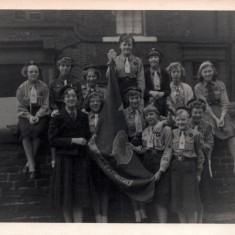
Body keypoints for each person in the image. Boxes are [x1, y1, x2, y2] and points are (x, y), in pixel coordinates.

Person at [48, 85, 91, 222]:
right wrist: (73, 140)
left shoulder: (84, 116)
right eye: (68, 96)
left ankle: (78, 226)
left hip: (79, 160)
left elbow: (87, 137)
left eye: (73, 96)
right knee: (65, 196)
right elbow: (52, 140)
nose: (71, 99)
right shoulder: (57, 116)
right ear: (63, 99)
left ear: (77, 99)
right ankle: (69, 226)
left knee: (79, 196)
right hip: (64, 159)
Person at [194, 61, 235, 174]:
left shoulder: (220, 84)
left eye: (209, 71)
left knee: (230, 131)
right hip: (207, 112)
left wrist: (222, 117)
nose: (208, 74)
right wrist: (215, 119)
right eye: (205, 71)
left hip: (221, 112)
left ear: (213, 71)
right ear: (201, 73)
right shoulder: (198, 87)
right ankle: (208, 164)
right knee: (209, 131)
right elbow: (204, 105)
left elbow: (225, 103)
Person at [136, 104, 172, 223]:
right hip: (148, 162)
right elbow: (145, 149)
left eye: (151, 114)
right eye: (146, 115)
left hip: (160, 161)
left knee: (161, 195)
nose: (149, 117)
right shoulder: (145, 131)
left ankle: (163, 225)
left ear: (157, 115)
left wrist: (161, 170)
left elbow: (168, 149)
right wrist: (134, 148)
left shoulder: (165, 129)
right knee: (151, 194)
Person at [16, 61, 50, 179]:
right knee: (25, 132)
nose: (33, 74)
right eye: (31, 72)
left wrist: (38, 116)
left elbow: (46, 104)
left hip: (41, 114)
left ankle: (29, 163)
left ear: (38, 73)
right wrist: (29, 116)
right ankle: (32, 165)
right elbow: (20, 106)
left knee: (38, 131)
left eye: (36, 71)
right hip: (26, 115)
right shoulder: (21, 88)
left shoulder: (44, 87)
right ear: (26, 73)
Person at [171, 107, 204, 223]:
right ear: (175, 120)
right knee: (178, 198)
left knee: (190, 200)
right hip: (176, 167)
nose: (180, 122)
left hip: (189, 167)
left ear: (188, 119)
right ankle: (183, 226)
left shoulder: (195, 134)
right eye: (178, 120)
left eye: (183, 120)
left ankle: (192, 227)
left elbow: (200, 155)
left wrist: (199, 173)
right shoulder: (173, 133)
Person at [49, 56, 83, 167]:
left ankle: (77, 154)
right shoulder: (53, 83)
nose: (65, 68)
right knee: (54, 128)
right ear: (59, 67)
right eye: (62, 66)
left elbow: (80, 98)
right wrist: (55, 110)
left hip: (73, 110)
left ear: (71, 68)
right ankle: (54, 158)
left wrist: (74, 109)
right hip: (59, 110)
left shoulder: (76, 82)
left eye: (67, 66)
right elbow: (51, 99)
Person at [122, 86, 148, 223]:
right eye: (132, 98)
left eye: (137, 97)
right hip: (130, 146)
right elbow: (120, 131)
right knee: (132, 181)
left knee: (141, 180)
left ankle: (143, 210)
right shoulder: (124, 113)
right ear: (128, 99)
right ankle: (136, 212)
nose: (134, 100)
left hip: (143, 147)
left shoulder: (145, 112)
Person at [84, 91, 109, 223]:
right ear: (88, 103)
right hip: (91, 156)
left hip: (104, 155)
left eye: (97, 101)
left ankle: (105, 217)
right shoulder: (85, 117)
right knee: (94, 187)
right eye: (92, 101)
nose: (95, 103)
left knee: (104, 187)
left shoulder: (106, 117)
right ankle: (97, 216)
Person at [187, 98, 214, 223]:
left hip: (201, 161)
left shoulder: (207, 126)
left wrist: (200, 143)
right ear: (191, 113)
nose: (197, 115)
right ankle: (191, 220)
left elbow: (210, 144)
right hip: (188, 162)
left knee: (202, 192)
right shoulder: (185, 124)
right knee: (190, 192)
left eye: (199, 112)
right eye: (195, 112)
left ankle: (200, 220)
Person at [106, 33, 145, 107]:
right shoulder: (115, 60)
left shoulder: (138, 61)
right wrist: (111, 63)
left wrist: (140, 95)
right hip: (119, 91)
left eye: (129, 45)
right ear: (120, 46)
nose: (127, 47)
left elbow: (141, 80)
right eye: (124, 45)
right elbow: (108, 76)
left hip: (134, 91)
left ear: (132, 46)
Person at [144, 48, 171, 117]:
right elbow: (142, 88)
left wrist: (161, 93)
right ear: (148, 60)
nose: (153, 59)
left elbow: (168, 90)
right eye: (151, 57)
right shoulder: (145, 73)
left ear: (159, 59)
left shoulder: (165, 73)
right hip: (148, 102)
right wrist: (151, 92)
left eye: (155, 57)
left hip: (162, 103)